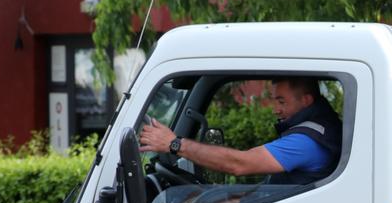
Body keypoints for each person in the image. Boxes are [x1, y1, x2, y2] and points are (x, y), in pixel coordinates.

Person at [137, 76, 342, 185]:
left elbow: (240, 164)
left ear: (306, 100)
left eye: (281, 101)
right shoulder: (320, 127)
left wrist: (175, 144)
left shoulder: (307, 142)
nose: (275, 109)